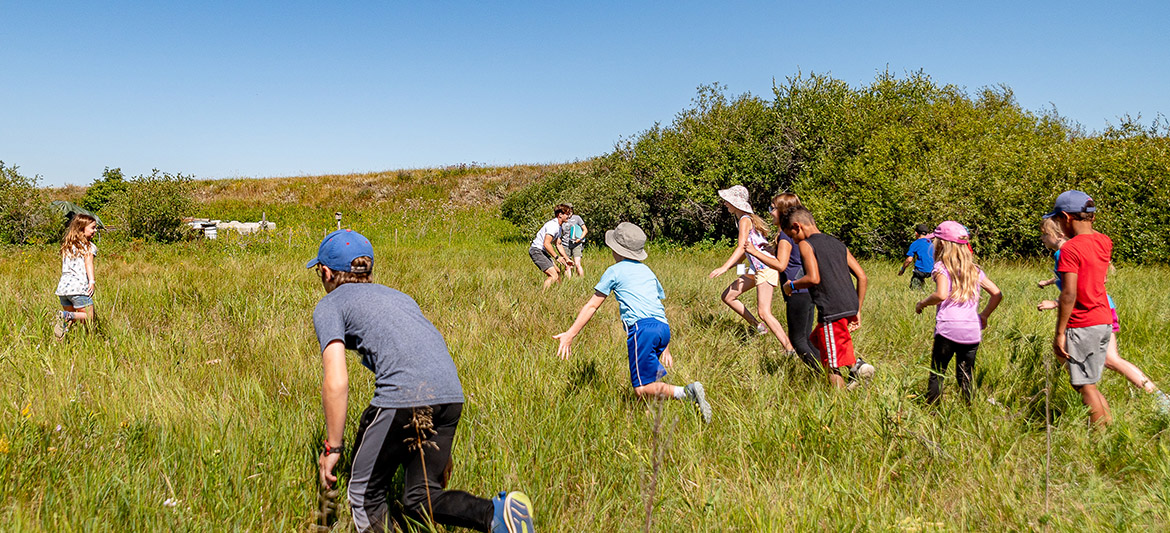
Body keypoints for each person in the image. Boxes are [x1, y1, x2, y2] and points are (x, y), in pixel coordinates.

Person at [308, 229, 535, 533]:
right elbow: (424, 356)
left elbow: (336, 381)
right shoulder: (400, 298)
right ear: (368, 268)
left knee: (364, 495)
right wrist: (441, 441)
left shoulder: (331, 304)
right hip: (450, 396)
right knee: (421, 496)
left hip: (403, 397)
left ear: (325, 272)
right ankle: (495, 513)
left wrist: (333, 448)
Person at [554, 222, 712, 423]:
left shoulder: (614, 270)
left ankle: (687, 392)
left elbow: (592, 306)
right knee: (650, 381)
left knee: (640, 388)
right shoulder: (648, 272)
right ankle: (641, 421)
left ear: (615, 249)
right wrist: (666, 349)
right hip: (663, 329)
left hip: (642, 330)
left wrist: (570, 334)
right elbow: (658, 308)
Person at [1037, 217, 1170, 412]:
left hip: (1090, 311)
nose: (1041, 238)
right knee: (1112, 359)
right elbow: (1079, 275)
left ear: (1058, 234)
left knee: (1077, 364)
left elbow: (1076, 289)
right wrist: (1049, 282)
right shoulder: (1081, 247)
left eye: (1044, 234)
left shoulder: (1064, 252)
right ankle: (1158, 396)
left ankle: (1098, 408)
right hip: (1105, 307)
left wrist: (1055, 303)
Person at [780, 207, 870, 389]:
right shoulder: (837, 243)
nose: (795, 242)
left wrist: (790, 285)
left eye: (793, 236)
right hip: (849, 305)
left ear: (797, 227)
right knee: (816, 341)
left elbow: (813, 278)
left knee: (831, 366)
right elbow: (862, 276)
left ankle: (840, 403)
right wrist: (857, 310)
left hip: (831, 309)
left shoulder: (806, 244)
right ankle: (856, 367)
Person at [914, 221, 1002, 404]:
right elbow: (997, 293)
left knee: (937, 373)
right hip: (971, 331)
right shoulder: (975, 271)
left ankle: (933, 409)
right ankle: (968, 408)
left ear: (943, 245)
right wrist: (984, 315)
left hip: (947, 329)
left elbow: (941, 294)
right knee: (965, 374)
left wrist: (922, 303)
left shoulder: (941, 269)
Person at [1045, 190, 1113, 426]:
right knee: (1087, 382)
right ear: (1091, 216)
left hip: (1083, 322)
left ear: (1065, 217)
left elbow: (1069, 294)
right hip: (1104, 319)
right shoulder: (1104, 241)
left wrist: (1060, 332)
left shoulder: (1069, 250)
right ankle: (1108, 426)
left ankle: (1102, 438)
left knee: (1083, 385)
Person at [707, 185, 796, 352]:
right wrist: (735, 265)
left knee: (764, 311)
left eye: (727, 201)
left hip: (765, 268)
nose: (725, 204)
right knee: (728, 296)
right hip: (755, 269)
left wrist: (724, 267)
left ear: (735, 203)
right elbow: (745, 251)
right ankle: (758, 326)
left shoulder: (744, 220)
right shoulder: (745, 219)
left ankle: (789, 347)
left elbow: (741, 247)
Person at [53, 213, 99, 340]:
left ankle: (60, 339)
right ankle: (65, 316)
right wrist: (92, 282)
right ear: (81, 229)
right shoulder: (89, 247)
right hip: (78, 288)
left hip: (63, 289)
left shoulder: (67, 246)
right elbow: (88, 263)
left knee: (74, 317)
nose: (95, 231)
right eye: (93, 228)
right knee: (89, 317)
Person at [529, 204, 574, 289]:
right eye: (567, 214)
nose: (569, 216)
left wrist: (566, 258)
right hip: (537, 251)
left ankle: (559, 292)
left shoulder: (559, 227)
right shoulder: (553, 226)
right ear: (560, 215)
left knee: (557, 272)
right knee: (553, 276)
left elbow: (558, 244)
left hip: (542, 251)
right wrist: (557, 257)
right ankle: (542, 296)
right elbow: (546, 243)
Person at [898, 224, 935, 289]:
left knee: (915, 285)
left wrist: (903, 269)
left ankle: (917, 291)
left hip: (921, 271)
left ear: (916, 233)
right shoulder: (932, 243)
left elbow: (909, 260)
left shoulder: (915, 243)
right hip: (933, 270)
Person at [560, 205, 588, 279]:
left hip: (576, 244)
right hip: (565, 244)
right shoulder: (562, 218)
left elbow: (585, 230)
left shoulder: (577, 218)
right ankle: (568, 282)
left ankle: (582, 281)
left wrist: (580, 239)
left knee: (577, 264)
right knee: (567, 265)